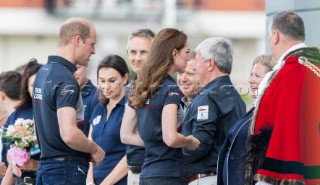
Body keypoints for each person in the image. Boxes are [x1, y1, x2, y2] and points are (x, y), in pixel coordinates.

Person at [245, 11, 320, 185]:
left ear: (275, 36)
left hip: (290, 173)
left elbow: (287, 130)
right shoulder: (312, 65)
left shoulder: (291, 72)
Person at [121, 28, 200, 185]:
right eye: (187, 51)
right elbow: (170, 138)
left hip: (148, 173)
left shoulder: (140, 87)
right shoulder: (170, 89)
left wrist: (155, 142)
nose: (188, 57)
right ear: (174, 53)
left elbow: (126, 135)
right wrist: (189, 141)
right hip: (169, 173)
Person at [32, 17, 105, 185]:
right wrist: (94, 149)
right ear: (77, 40)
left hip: (46, 167)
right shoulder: (66, 79)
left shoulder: (43, 73)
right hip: (64, 169)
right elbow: (69, 134)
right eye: (92, 44)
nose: (93, 51)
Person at [182, 37, 246, 185]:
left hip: (207, 178)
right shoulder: (237, 98)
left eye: (197, 62)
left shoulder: (207, 97)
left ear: (210, 63)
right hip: (227, 176)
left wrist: (177, 149)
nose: (195, 67)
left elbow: (200, 143)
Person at [216, 54, 276, 185]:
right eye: (251, 74)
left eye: (257, 76)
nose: (251, 80)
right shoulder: (254, 111)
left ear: (270, 80)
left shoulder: (270, 114)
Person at [86, 55, 129, 185]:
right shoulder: (98, 108)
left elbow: (131, 154)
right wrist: (89, 180)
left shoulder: (131, 109)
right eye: (102, 81)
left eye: (112, 80)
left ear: (125, 78)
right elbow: (89, 147)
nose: (106, 87)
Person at [1, 59, 43, 185]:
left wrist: (38, 165)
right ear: (27, 88)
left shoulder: (59, 114)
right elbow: (10, 154)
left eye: (41, 84)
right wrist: (14, 160)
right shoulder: (17, 115)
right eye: (32, 85)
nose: (37, 90)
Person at [125, 28, 155, 185]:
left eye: (144, 52)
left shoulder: (162, 88)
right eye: (133, 52)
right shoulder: (128, 90)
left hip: (153, 173)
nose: (137, 58)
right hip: (132, 172)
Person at [74, 64, 99, 137]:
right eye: (69, 69)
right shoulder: (65, 96)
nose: (73, 73)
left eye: (77, 68)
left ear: (86, 66)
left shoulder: (96, 97)